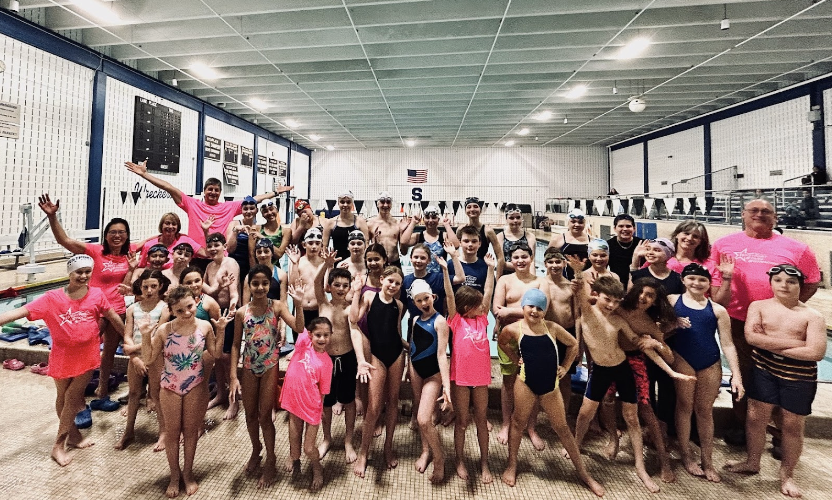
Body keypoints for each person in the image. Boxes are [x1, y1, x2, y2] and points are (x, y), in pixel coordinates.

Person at [569, 268, 693, 493]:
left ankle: (641, 466)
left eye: (616, 301)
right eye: (608, 300)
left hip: (623, 368)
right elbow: (580, 294)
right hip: (600, 371)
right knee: (585, 413)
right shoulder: (589, 312)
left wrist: (671, 371)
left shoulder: (619, 320)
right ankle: (576, 446)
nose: (612, 305)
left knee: (633, 418)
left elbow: (642, 346)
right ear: (597, 295)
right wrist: (578, 273)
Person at [709, 199, 821, 443]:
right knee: (743, 374)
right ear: (743, 215)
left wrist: (789, 309)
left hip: (780, 324)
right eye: (754, 211)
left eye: (766, 212)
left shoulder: (797, 248)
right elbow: (714, 280)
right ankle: (741, 425)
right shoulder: (723, 244)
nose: (759, 215)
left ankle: (782, 433)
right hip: (737, 320)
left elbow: (812, 281)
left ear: (775, 218)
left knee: (784, 376)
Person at [0, 255, 125, 466]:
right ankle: (73, 436)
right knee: (64, 396)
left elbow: (113, 317)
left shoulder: (96, 294)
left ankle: (59, 444)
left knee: (72, 397)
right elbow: (19, 311)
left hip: (88, 355)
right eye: (79, 272)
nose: (84, 276)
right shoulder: (51, 298)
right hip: (62, 355)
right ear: (69, 273)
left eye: (87, 271)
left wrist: (128, 339)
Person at [725, 265, 826, 499]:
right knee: (754, 418)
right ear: (770, 283)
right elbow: (751, 338)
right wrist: (799, 344)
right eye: (778, 280)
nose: (784, 285)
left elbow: (816, 353)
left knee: (791, 425)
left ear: (800, 285)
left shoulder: (813, 316)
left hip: (798, 377)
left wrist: (768, 341)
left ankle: (787, 475)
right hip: (764, 371)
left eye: (791, 281)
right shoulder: (758, 307)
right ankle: (752, 462)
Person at [497, 289, 604, 497]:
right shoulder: (513, 329)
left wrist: (565, 367)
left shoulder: (553, 328)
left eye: (539, 308)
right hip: (525, 382)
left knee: (562, 428)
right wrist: (514, 358)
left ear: (545, 312)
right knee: (518, 423)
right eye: (531, 306)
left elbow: (573, 344)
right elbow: (502, 343)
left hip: (551, 386)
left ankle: (584, 473)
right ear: (523, 307)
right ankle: (512, 465)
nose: (535, 311)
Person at [38, 194, 133, 409]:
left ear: (127, 236)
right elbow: (65, 241)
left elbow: (161, 246)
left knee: (109, 352)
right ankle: (75, 393)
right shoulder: (95, 251)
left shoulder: (131, 253)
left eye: (121, 232)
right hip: (94, 310)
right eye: (113, 232)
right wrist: (53, 217)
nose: (117, 236)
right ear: (106, 236)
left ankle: (102, 388)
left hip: (117, 311)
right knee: (84, 349)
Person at [229, 265, 304, 489]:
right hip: (249, 366)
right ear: (249, 285)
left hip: (270, 366)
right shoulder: (243, 312)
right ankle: (256, 450)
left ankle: (271, 459)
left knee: (264, 416)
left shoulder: (277, 306)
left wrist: (298, 304)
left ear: (270, 284)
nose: (260, 287)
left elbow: (299, 327)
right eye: (255, 283)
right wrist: (233, 376)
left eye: (264, 283)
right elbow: (235, 345)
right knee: (250, 415)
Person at [149, 285, 228, 498]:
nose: (186, 313)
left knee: (191, 432)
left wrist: (220, 330)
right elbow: (149, 359)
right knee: (172, 433)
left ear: (196, 302)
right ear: (172, 311)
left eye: (190, 307)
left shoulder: (204, 326)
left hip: (195, 384)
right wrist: (146, 335)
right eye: (180, 310)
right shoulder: (165, 330)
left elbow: (216, 353)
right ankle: (174, 475)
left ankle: (188, 473)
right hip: (170, 387)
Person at [669, 264, 744, 483]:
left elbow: (728, 344)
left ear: (709, 284)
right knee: (684, 407)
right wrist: (672, 324)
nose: (696, 283)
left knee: (704, 411)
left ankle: (708, 461)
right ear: (683, 280)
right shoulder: (672, 301)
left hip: (710, 362)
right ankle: (686, 456)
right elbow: (656, 328)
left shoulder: (718, 309)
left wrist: (736, 375)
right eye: (691, 278)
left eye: (702, 280)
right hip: (682, 359)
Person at [125, 160, 293, 254]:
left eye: (216, 190)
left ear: (220, 193)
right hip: (196, 255)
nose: (213, 193)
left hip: (220, 255)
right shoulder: (192, 204)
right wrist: (145, 174)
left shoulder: (228, 207)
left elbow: (254, 200)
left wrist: (275, 193)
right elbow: (169, 187)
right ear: (204, 191)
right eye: (210, 189)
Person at [605, 277, 679, 483]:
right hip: (611, 356)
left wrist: (655, 342)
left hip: (634, 362)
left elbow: (670, 357)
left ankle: (664, 460)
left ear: (655, 301)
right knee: (606, 400)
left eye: (650, 295)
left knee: (646, 409)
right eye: (641, 292)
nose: (643, 297)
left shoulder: (648, 323)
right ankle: (614, 438)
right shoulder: (618, 308)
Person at [441, 252, 495, 483]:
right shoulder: (456, 320)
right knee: (462, 422)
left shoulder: (481, 319)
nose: (483, 306)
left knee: (481, 419)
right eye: (478, 304)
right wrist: (445, 271)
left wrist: (491, 269)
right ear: (467, 306)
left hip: (480, 378)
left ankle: (484, 462)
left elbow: (489, 295)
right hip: (461, 378)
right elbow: (450, 296)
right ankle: (460, 459)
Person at [349, 266, 406, 478]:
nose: (392, 285)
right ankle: (364, 453)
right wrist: (356, 291)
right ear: (382, 279)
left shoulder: (399, 305)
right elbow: (354, 319)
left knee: (393, 402)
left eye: (397, 283)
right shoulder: (370, 297)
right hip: (377, 356)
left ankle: (387, 448)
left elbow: (397, 332)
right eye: (390, 281)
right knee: (373, 408)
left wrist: (409, 349)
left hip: (397, 355)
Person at [315, 251, 370, 464]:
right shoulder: (323, 304)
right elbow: (317, 281)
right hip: (326, 361)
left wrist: (360, 360)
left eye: (344, 285)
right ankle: (327, 438)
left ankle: (348, 440)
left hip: (346, 359)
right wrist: (326, 264)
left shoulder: (348, 310)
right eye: (336, 285)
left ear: (349, 287)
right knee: (326, 403)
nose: (340, 289)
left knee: (348, 402)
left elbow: (355, 327)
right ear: (329, 287)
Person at [493, 242, 546, 449]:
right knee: (508, 382)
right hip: (509, 337)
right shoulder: (505, 280)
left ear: (531, 258)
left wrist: (510, 311)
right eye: (516, 257)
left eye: (524, 256)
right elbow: (498, 309)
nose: (520, 261)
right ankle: (506, 424)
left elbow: (543, 311)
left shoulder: (540, 282)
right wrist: (521, 311)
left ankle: (531, 427)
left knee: (533, 384)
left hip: (533, 337)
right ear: (510, 260)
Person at [116, 269, 171, 451]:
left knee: (156, 395)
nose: (149, 290)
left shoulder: (164, 308)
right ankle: (128, 431)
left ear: (160, 286)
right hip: (136, 360)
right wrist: (134, 358)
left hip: (155, 357)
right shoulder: (133, 309)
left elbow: (156, 337)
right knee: (133, 394)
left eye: (153, 286)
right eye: (145, 286)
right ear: (140, 286)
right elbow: (127, 336)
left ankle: (163, 432)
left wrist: (133, 349)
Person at [279, 317, 334, 492]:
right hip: (294, 403)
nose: (322, 339)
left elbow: (324, 391)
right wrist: (298, 302)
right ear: (309, 335)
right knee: (294, 447)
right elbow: (299, 321)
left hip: (312, 407)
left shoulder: (327, 362)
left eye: (326, 335)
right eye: (318, 335)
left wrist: (321, 411)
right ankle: (294, 458)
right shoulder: (303, 344)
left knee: (309, 448)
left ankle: (317, 467)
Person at [407, 278, 452, 484]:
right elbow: (413, 347)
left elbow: (442, 354)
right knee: (419, 414)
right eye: (419, 301)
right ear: (414, 303)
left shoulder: (440, 321)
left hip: (433, 374)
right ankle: (425, 451)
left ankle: (440, 459)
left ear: (433, 297)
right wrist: (409, 369)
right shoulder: (416, 320)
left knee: (424, 419)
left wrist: (446, 386)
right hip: (416, 370)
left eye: (426, 298)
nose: (424, 303)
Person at [202, 233, 240, 419]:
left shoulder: (230, 263)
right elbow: (207, 290)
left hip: (227, 312)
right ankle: (221, 393)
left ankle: (234, 400)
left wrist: (233, 306)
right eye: (210, 246)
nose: (213, 248)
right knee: (215, 355)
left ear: (224, 245)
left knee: (227, 356)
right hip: (213, 314)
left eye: (216, 244)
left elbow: (234, 291)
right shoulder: (209, 266)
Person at [541, 248, 579, 415]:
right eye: (551, 262)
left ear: (564, 263)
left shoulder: (571, 286)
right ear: (545, 264)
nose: (554, 265)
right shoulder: (540, 284)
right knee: (543, 375)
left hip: (567, 334)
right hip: (547, 334)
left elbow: (577, 315)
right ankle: (547, 412)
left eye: (558, 261)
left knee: (566, 378)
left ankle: (562, 415)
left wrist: (579, 342)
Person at [287, 227, 326, 334]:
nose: (314, 246)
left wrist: (329, 265)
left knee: (317, 346)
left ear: (321, 246)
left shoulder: (324, 263)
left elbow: (327, 288)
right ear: (304, 245)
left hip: (318, 310)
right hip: (300, 310)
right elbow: (292, 287)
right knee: (300, 346)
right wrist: (294, 264)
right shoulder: (297, 262)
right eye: (311, 243)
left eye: (317, 243)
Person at [401, 205, 460, 274]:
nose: (430, 220)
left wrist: (447, 225)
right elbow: (403, 242)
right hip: (422, 276)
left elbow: (456, 245)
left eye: (434, 217)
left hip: (439, 277)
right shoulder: (418, 236)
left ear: (438, 219)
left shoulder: (444, 236)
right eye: (427, 217)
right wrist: (413, 223)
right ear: (423, 219)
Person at [134, 213, 205, 267]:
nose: (170, 227)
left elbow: (206, 254)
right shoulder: (149, 245)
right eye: (167, 223)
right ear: (161, 225)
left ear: (178, 227)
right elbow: (140, 267)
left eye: (174, 224)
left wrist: (206, 231)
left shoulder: (184, 240)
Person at [457, 196, 504, 276]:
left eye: (475, 206)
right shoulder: (461, 229)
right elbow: (454, 251)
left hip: (482, 270)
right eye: (469, 207)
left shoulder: (488, 231)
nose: (472, 209)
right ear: (465, 210)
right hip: (464, 269)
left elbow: (500, 258)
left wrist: (498, 279)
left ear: (480, 210)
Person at [323, 190, 369, 262]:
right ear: (338, 203)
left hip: (356, 263)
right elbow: (324, 247)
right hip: (337, 262)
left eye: (348, 202)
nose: (345, 205)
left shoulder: (360, 222)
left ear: (352, 204)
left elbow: (366, 245)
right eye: (342, 202)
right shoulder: (330, 223)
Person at [225, 196, 259, 291]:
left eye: (252, 208)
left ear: (257, 210)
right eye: (245, 209)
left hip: (251, 263)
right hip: (235, 263)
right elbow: (229, 248)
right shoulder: (234, 224)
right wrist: (235, 231)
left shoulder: (259, 227)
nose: (249, 211)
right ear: (241, 210)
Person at [548, 208, 590, 279]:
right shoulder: (557, 239)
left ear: (584, 224)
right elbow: (549, 262)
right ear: (568, 223)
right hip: (563, 283)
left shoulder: (591, 240)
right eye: (573, 222)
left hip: (587, 282)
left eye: (580, 222)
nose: (577, 225)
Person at [368, 191, 407, 266]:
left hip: (394, 263)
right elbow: (365, 249)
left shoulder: (398, 224)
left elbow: (404, 252)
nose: (385, 205)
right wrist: (374, 245)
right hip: (377, 264)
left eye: (388, 202)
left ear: (391, 204)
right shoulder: (370, 224)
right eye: (382, 202)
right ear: (377, 204)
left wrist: (402, 233)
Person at [448, 225, 491, 293]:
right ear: (460, 243)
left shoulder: (485, 267)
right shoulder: (450, 265)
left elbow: (488, 292)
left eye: (474, 241)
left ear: (479, 244)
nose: (470, 244)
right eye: (466, 241)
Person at [243, 239, 288, 303]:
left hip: (275, 311)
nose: (263, 255)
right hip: (256, 312)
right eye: (259, 252)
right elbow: (245, 305)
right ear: (255, 254)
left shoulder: (281, 275)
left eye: (266, 251)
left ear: (272, 253)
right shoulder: (249, 277)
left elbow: (284, 302)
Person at [497, 204, 536, 275]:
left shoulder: (530, 236)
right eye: (511, 218)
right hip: (506, 277)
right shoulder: (500, 237)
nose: (515, 220)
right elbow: (501, 263)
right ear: (506, 219)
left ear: (522, 218)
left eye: (518, 217)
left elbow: (532, 261)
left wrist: (533, 281)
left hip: (525, 276)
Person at [607, 214, 642, 287]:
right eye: (621, 226)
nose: (625, 229)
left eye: (628, 226)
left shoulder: (642, 244)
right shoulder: (608, 245)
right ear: (614, 228)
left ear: (634, 228)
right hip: (616, 285)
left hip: (639, 284)